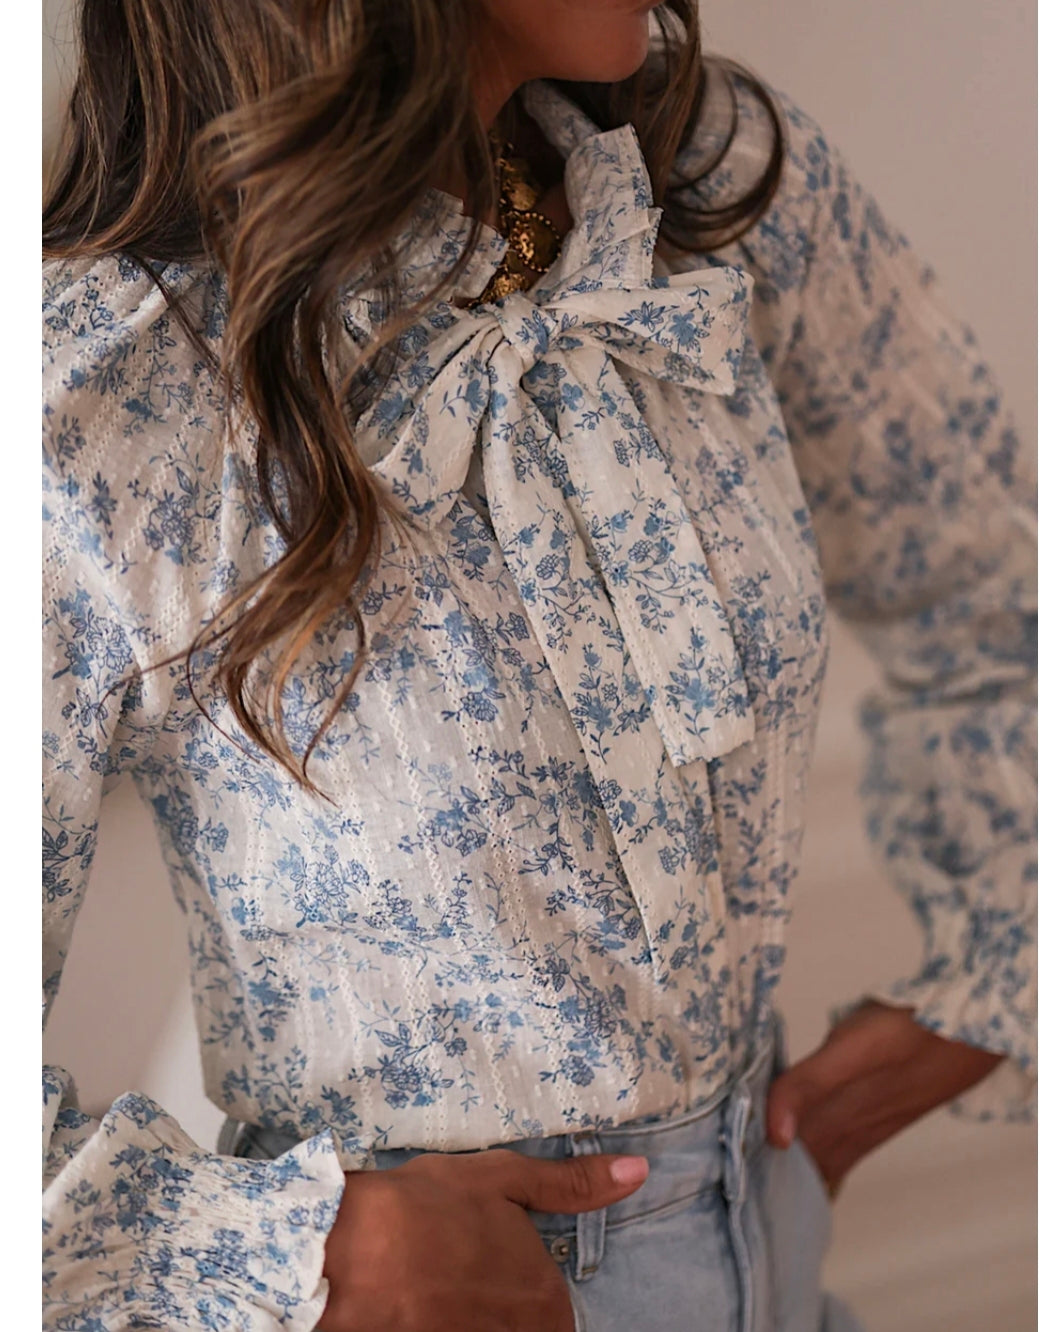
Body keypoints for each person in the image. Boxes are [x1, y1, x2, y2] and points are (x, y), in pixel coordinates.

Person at [42, 1, 1035, 1329]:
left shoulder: (709, 186)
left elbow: (994, 593)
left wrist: (1002, 963)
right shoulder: (102, 394)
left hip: (781, 1261)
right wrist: (303, 1253)